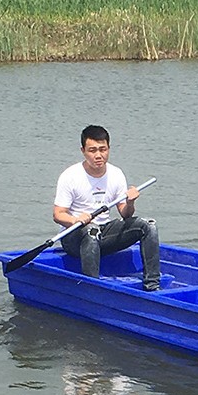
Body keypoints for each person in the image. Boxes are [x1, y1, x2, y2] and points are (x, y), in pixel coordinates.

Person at [53, 124, 160, 291]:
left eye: (102, 149)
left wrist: (131, 201)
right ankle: (93, 290)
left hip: (103, 233)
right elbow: (58, 214)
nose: (98, 155)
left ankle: (152, 286)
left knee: (149, 226)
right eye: (92, 150)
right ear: (83, 151)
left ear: (109, 149)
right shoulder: (70, 176)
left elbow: (125, 214)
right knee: (91, 231)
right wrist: (76, 219)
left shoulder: (116, 174)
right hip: (75, 236)